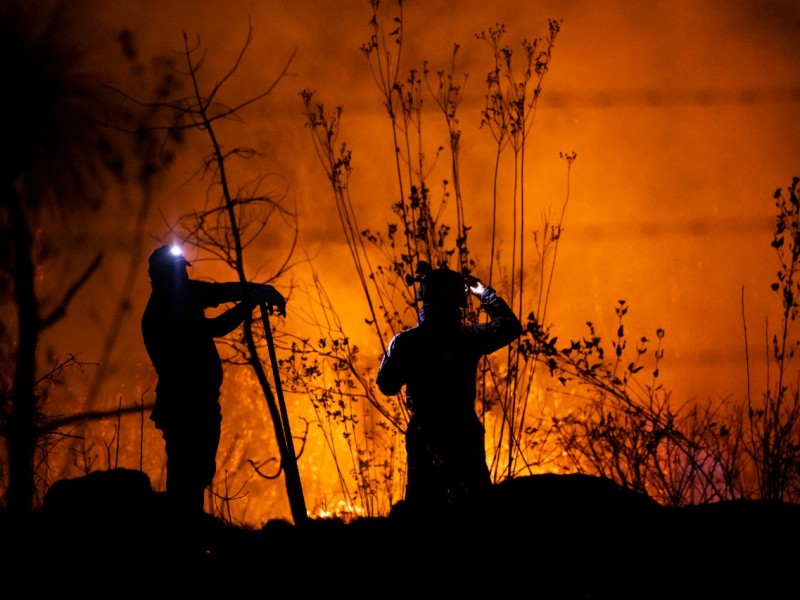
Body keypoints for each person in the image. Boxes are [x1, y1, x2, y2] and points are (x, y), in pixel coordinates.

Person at [141, 244, 286, 517]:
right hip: (186, 405)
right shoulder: (166, 310)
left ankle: (186, 529)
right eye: (178, 272)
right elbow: (215, 326)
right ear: (161, 276)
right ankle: (184, 535)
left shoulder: (177, 297)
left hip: (195, 403)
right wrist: (254, 299)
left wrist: (256, 290)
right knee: (189, 474)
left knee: (196, 472)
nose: (184, 277)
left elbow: (218, 291)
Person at [376, 261, 522, 513]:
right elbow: (510, 326)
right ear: (459, 303)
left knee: (425, 513)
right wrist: (484, 293)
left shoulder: (406, 342)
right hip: (464, 431)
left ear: (423, 300)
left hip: (425, 434)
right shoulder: (469, 338)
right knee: (477, 509)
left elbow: (387, 386)